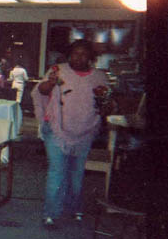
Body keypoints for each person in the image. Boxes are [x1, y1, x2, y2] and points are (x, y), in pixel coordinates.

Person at [31, 40, 110, 228]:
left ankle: (75, 207)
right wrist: (50, 83)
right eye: (75, 53)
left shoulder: (99, 76)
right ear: (69, 55)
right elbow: (40, 91)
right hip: (56, 129)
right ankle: (51, 213)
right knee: (57, 172)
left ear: (90, 57)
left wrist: (106, 104)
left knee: (76, 174)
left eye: (83, 54)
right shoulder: (58, 70)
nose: (78, 58)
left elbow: (106, 102)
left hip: (85, 131)